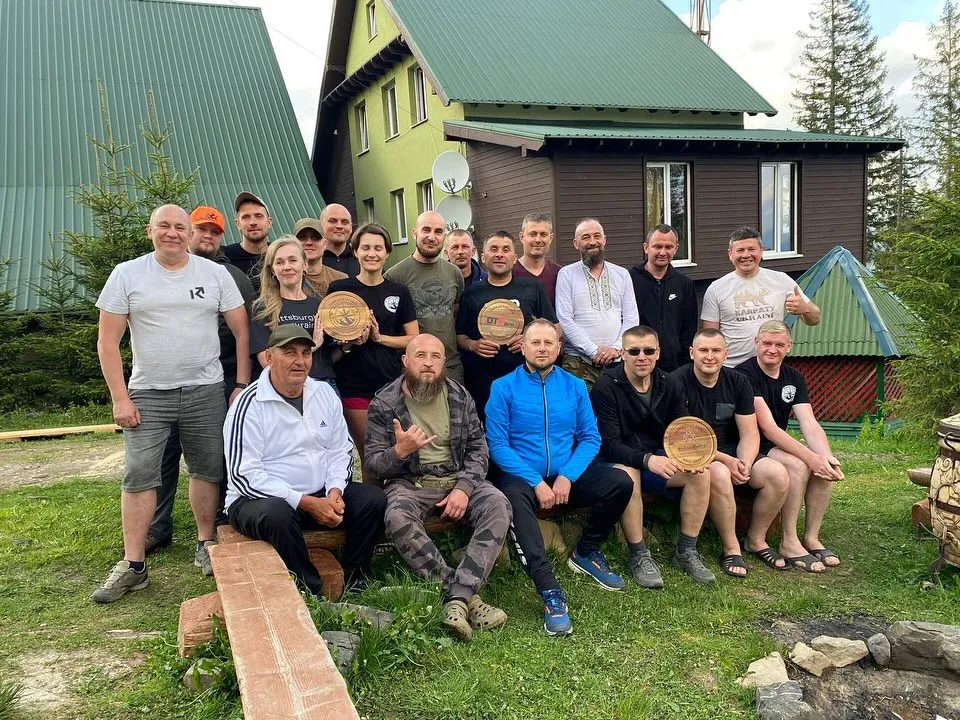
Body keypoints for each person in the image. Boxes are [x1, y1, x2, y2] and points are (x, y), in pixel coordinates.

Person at [92, 204, 250, 603]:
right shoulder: (127, 274)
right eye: (165, 226)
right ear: (150, 231)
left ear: (191, 234)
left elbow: (241, 328)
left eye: (181, 227)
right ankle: (133, 565)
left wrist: (241, 382)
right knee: (140, 475)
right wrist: (119, 398)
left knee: (208, 469)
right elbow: (107, 342)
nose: (173, 233)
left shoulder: (215, 275)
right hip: (148, 393)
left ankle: (205, 543)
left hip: (205, 389)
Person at [486, 320, 633, 636]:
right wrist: (536, 481)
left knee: (620, 482)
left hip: (567, 474)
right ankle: (549, 589)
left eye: (548, 343)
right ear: (523, 347)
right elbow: (497, 445)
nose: (542, 348)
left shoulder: (575, 386)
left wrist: (567, 476)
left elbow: (590, 438)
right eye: (535, 342)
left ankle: (586, 551)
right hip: (521, 476)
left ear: (558, 347)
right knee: (513, 501)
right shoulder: (503, 387)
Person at [365, 334, 511, 640]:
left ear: (444, 362)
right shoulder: (384, 402)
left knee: (498, 504)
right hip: (411, 482)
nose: (428, 363)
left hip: (457, 477)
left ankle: (458, 598)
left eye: (435, 356)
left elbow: (478, 448)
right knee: (397, 518)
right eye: (420, 356)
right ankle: (463, 595)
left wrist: (464, 488)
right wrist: (400, 451)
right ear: (405, 361)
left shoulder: (459, 395)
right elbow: (375, 464)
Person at [224, 325, 385, 596]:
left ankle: (354, 579)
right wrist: (307, 503)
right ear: (269, 357)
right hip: (257, 501)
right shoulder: (248, 405)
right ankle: (311, 590)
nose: (300, 361)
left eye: (306, 353)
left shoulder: (323, 393)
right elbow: (245, 475)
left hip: (319, 494)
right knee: (278, 514)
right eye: (289, 353)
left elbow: (340, 449)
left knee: (373, 499)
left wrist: (334, 491)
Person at [146, 205, 255, 554]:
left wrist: (241, 382)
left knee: (213, 456)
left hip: (220, 378)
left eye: (214, 231)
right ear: (190, 233)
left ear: (221, 236)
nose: (207, 236)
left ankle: (218, 522)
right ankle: (156, 527)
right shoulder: (158, 270)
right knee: (164, 454)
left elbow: (247, 329)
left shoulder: (231, 275)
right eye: (201, 229)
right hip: (165, 381)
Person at [590, 326, 715, 587]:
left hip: (658, 459)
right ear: (622, 353)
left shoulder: (669, 383)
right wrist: (648, 460)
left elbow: (681, 427)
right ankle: (639, 555)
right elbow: (608, 444)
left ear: (658, 353)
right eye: (634, 351)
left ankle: (686, 551)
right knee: (629, 474)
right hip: (618, 460)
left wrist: (686, 456)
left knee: (700, 474)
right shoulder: (606, 386)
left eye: (648, 350)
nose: (641, 357)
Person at [671, 329, 789, 578]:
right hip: (691, 454)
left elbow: (749, 432)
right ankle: (731, 547)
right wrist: (728, 460)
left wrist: (744, 463)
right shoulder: (676, 382)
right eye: (703, 350)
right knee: (720, 473)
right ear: (692, 353)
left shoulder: (738, 382)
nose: (710, 356)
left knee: (777, 474)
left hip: (732, 452)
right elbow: (683, 439)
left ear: (726, 353)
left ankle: (756, 540)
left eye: (716, 350)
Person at [735, 320, 844, 572]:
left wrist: (825, 457)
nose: (772, 349)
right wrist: (810, 457)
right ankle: (789, 540)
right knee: (798, 465)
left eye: (779, 345)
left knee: (823, 465)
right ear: (756, 344)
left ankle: (811, 537)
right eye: (767, 343)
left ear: (789, 346)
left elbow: (809, 422)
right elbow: (768, 428)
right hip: (752, 444)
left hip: (775, 443)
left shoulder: (794, 377)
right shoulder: (744, 374)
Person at [328, 223, 419, 479]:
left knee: (398, 453)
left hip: (392, 385)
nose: (372, 253)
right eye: (365, 247)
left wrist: (380, 338)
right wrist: (350, 342)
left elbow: (413, 339)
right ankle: (374, 514)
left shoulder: (398, 292)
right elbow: (330, 340)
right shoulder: (339, 290)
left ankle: (397, 509)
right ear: (355, 251)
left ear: (387, 253)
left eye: (378, 248)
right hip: (354, 385)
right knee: (371, 457)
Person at [456, 231, 557, 420]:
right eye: (493, 249)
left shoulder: (532, 287)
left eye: (506, 249)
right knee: (492, 433)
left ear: (514, 257)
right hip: (484, 381)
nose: (500, 254)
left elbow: (554, 328)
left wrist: (529, 340)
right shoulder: (471, 293)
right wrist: (474, 345)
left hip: (527, 377)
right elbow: (460, 336)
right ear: (483, 257)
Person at [701, 226, 821, 367]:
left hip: (769, 368)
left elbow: (815, 319)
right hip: (732, 369)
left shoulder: (781, 280)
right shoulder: (716, 288)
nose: (746, 255)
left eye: (752, 249)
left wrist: (805, 308)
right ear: (730, 254)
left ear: (761, 251)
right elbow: (710, 338)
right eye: (740, 250)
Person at [555, 218, 639, 388]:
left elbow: (631, 318)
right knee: (580, 412)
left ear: (604, 240)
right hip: (578, 364)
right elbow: (564, 319)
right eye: (585, 237)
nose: (592, 242)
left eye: (597, 236)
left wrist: (615, 348)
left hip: (617, 362)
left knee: (616, 412)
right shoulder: (566, 274)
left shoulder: (621, 274)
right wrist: (593, 351)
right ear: (575, 243)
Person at [385, 211, 465, 383]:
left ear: (444, 236)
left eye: (438, 232)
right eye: (426, 230)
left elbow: (456, 313)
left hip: (450, 364)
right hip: (413, 366)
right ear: (415, 233)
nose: (431, 236)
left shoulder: (454, 273)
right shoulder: (395, 276)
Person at [249, 236, 337, 389]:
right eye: (279, 262)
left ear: (305, 265)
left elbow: (329, 357)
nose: (287, 267)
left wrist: (347, 345)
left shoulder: (320, 306)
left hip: (322, 384)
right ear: (273, 271)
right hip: (283, 387)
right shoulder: (263, 308)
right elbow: (266, 360)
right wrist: (312, 346)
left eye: (293, 260)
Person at [629, 224, 698, 372]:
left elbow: (689, 329)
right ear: (646, 247)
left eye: (668, 247)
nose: (663, 252)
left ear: (676, 248)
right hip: (638, 363)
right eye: (657, 246)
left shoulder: (684, 284)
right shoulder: (629, 280)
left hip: (674, 368)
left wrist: (686, 366)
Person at [223, 192, 272, 288]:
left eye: (258, 216)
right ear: (238, 224)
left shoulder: (280, 255)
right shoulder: (225, 257)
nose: (253, 222)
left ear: (269, 222)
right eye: (246, 217)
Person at [513, 212, 562, 304]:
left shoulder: (560, 274)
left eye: (543, 234)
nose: (538, 240)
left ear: (550, 238)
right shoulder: (509, 273)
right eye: (533, 234)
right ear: (522, 237)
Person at [293, 217, 347, 297]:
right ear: (293, 243)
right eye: (302, 237)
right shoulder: (287, 277)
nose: (309, 242)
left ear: (325, 244)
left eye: (315, 237)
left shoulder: (341, 279)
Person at [320, 203, 360, 277]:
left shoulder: (361, 258)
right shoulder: (313, 259)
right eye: (332, 221)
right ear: (321, 225)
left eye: (345, 222)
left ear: (351, 227)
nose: (339, 226)